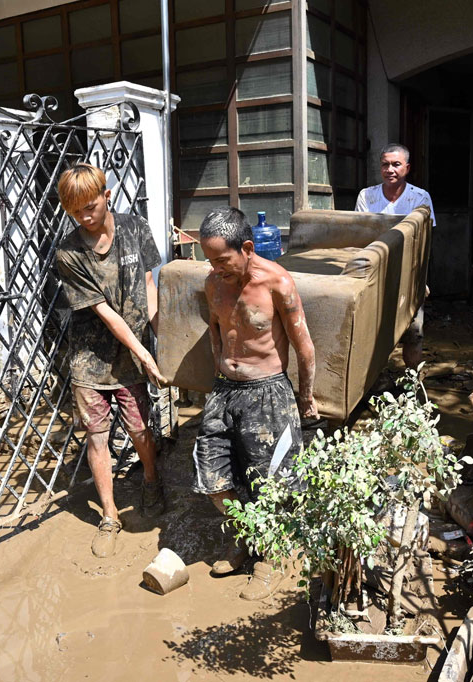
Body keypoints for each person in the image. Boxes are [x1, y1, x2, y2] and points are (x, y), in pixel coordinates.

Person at [194, 206, 318, 601]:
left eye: (221, 260)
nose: (214, 268)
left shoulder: (277, 283)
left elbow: (304, 346)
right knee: (213, 480)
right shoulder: (213, 283)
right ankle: (245, 538)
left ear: (247, 247)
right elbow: (216, 332)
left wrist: (306, 398)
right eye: (209, 260)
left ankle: (273, 556)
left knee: (275, 485)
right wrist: (219, 372)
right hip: (224, 391)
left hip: (269, 393)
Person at [54, 163, 165, 559]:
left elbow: (150, 285)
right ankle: (110, 515)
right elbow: (104, 312)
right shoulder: (68, 253)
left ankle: (152, 480)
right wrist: (143, 351)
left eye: (90, 205)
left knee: (140, 429)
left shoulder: (135, 228)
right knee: (97, 438)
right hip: (90, 357)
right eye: (76, 210)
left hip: (133, 352)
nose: (85, 215)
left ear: (106, 196)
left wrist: (160, 341)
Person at [355, 142, 435, 370]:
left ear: (407, 168)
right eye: (385, 165)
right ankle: (376, 379)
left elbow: (425, 241)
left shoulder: (420, 198)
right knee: (374, 331)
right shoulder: (366, 196)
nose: (390, 169)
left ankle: (412, 380)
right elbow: (361, 238)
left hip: (409, 274)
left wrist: (421, 280)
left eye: (396, 164)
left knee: (413, 330)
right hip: (375, 274)